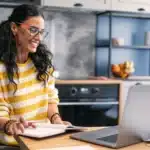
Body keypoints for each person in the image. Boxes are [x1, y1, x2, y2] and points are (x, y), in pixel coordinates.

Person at [0, 4, 70, 146]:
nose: (38, 37)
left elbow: (50, 98)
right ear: (14, 28)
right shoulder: (2, 69)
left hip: (43, 141)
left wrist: (56, 119)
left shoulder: (43, 64)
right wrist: (10, 125)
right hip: (15, 144)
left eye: (41, 32)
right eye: (33, 30)